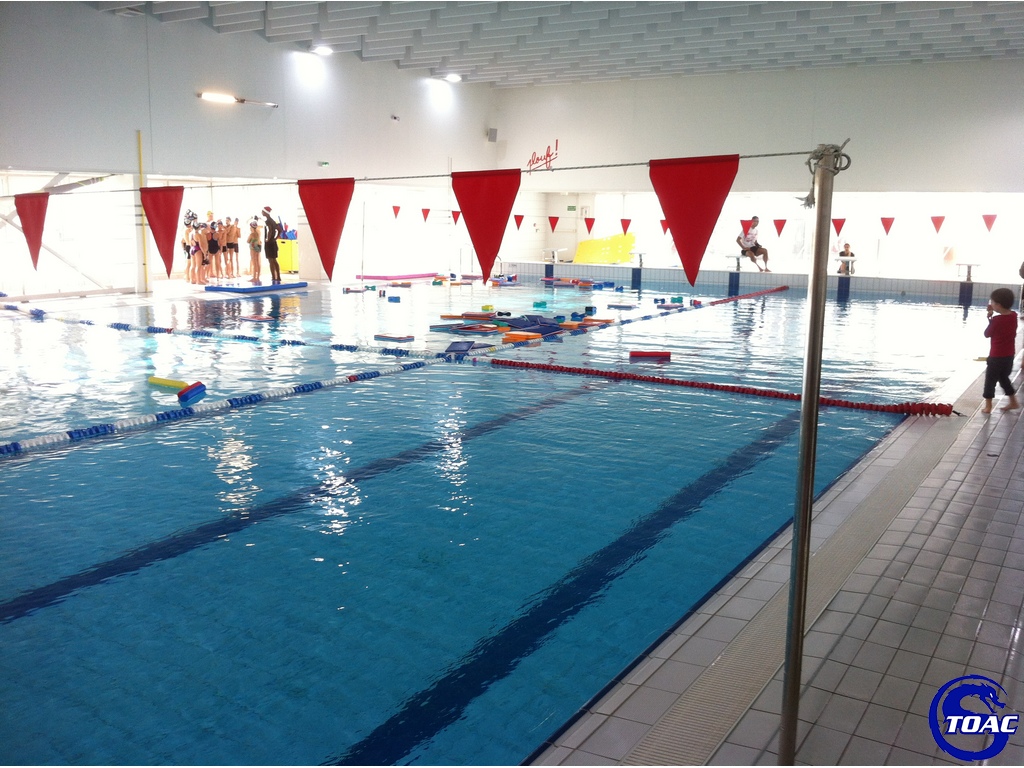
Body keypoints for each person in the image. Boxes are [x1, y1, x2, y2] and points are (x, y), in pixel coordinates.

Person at [981, 287, 1020, 414]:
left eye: (992, 302)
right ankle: (1013, 402)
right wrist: (992, 317)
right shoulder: (1014, 316)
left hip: (996, 356)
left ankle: (988, 406)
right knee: (1003, 378)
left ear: (998, 305)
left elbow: (987, 334)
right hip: (1009, 355)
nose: (991, 304)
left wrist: (990, 318)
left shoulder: (997, 321)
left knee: (990, 381)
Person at [262, 206, 282, 284]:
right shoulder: (273, 221)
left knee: (270, 260)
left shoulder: (268, 221)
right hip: (273, 242)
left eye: (263, 211)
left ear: (266, 213)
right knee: (274, 260)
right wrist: (276, 237)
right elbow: (280, 230)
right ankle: (278, 276)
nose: (262, 213)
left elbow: (270, 230)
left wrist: (268, 239)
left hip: (269, 243)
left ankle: (273, 277)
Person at [247, 217, 262, 284]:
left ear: (252, 227)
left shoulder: (252, 234)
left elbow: (248, 241)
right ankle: (257, 277)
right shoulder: (258, 233)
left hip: (253, 248)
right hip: (258, 247)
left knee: (254, 262)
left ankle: (254, 277)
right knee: (258, 262)